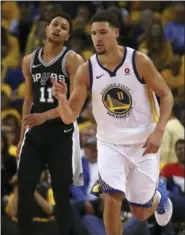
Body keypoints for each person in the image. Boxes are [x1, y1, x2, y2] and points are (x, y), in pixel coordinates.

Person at [52, 10, 174, 235]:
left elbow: (167, 95)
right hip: (109, 143)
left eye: (103, 32)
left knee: (140, 212)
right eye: (93, 33)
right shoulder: (86, 70)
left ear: (116, 33)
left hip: (143, 141)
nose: (97, 38)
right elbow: (70, 116)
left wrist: (158, 131)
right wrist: (61, 99)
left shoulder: (138, 60)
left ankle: (159, 194)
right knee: (110, 197)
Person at [17, 13, 84, 235]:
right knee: (25, 188)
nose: (57, 29)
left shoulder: (73, 60)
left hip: (61, 134)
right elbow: (29, 100)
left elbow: (73, 108)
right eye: (54, 24)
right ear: (46, 30)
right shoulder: (29, 60)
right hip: (35, 135)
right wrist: (21, 138)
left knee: (61, 193)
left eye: (63, 27)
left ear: (67, 36)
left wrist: (45, 116)